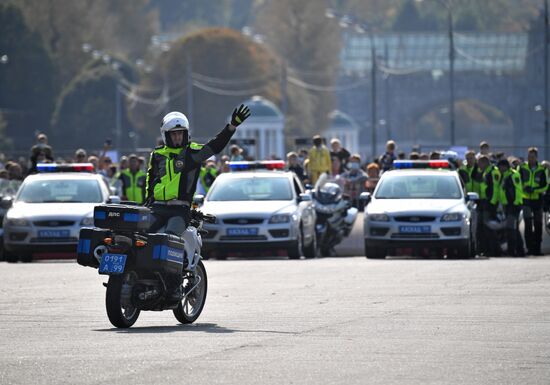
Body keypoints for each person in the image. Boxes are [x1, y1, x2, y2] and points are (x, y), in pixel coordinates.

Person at [145, 104, 250, 300]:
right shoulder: (157, 155)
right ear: (166, 135)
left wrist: (231, 127)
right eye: (173, 134)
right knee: (142, 234)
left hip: (180, 210)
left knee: (170, 239)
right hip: (156, 208)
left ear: (185, 134)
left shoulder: (193, 153)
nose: (177, 137)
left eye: (180, 134)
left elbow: (215, 145)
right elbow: (150, 181)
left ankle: (174, 286)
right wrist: (146, 204)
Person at [519, 147, 547, 256]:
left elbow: (545, 186)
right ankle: (529, 248)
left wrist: (535, 190)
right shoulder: (522, 168)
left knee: (538, 224)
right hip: (526, 200)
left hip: (537, 200)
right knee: (528, 225)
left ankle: (537, 249)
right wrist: (524, 188)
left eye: (533, 157)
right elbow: (518, 182)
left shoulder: (541, 169)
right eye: (529, 157)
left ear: (536, 157)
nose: (530, 159)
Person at [498, 159, 525, 257]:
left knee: (511, 229)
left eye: (500, 167)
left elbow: (518, 190)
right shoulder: (505, 175)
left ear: (504, 166)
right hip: (508, 205)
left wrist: (516, 203)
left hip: (513, 206)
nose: (499, 169)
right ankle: (519, 250)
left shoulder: (513, 175)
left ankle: (513, 251)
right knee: (514, 228)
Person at [478, 155, 502, 256]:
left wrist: (492, 204)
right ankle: (489, 249)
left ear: (485, 162)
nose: (478, 165)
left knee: (490, 228)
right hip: (486, 202)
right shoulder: (486, 171)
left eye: (479, 163)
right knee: (487, 228)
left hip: (490, 203)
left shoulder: (493, 172)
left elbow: (495, 189)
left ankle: (494, 251)